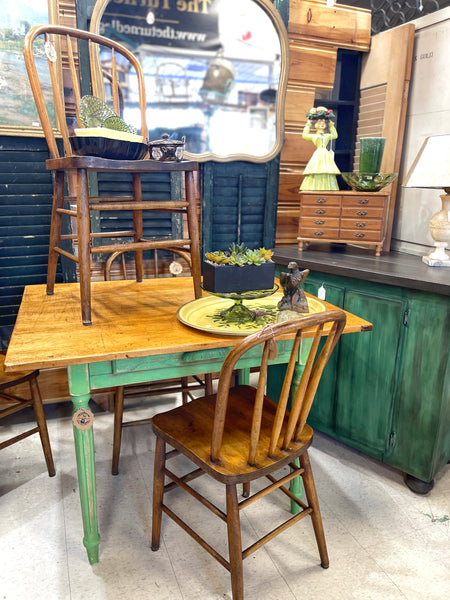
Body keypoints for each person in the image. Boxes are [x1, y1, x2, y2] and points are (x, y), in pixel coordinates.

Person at [300, 106, 340, 191]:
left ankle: (327, 187)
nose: (322, 124)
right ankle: (315, 186)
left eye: (323, 122)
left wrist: (330, 124)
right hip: (318, 153)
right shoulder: (314, 136)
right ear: (316, 124)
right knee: (316, 168)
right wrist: (308, 123)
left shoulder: (327, 135)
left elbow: (335, 135)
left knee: (326, 168)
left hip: (325, 154)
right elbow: (304, 136)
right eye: (320, 122)